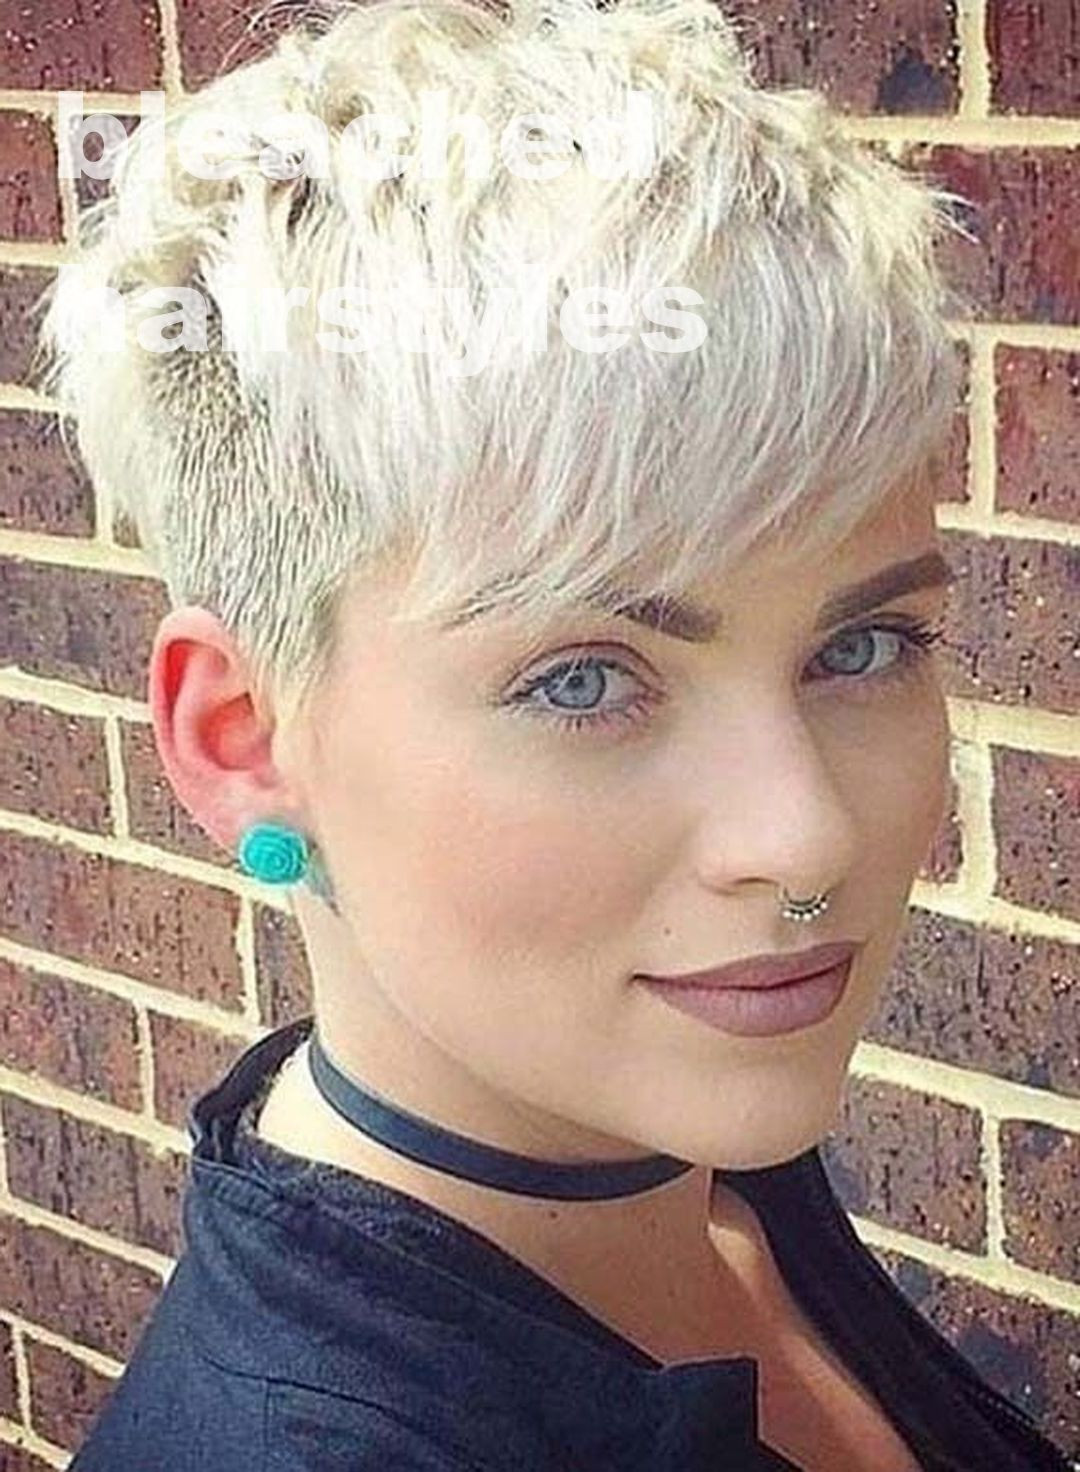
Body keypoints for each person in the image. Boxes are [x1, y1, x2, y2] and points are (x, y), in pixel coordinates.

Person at [34, 0, 1075, 1466]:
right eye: (583, 682)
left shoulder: (682, 1166)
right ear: (245, 739)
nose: (806, 838)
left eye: (861, 648)